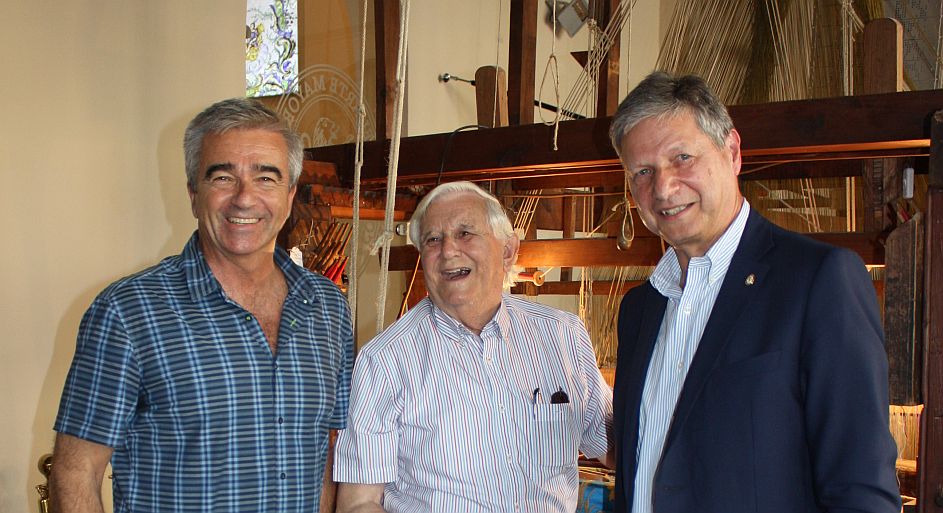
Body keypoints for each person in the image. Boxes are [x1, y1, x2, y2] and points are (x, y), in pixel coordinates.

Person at [608, 71, 901, 513]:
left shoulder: (819, 280)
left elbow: (861, 490)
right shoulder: (639, 308)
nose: (663, 188)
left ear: (732, 152)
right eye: (642, 172)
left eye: (682, 157)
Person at [50, 98, 354, 512]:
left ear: (289, 195)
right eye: (223, 177)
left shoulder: (327, 309)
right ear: (194, 194)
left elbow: (325, 455)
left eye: (265, 178)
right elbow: (75, 473)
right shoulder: (128, 313)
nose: (244, 198)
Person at [333, 181, 613, 513]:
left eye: (465, 233)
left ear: (508, 250)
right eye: (433, 240)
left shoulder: (562, 335)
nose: (448, 251)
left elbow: (614, 446)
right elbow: (359, 503)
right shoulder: (384, 360)